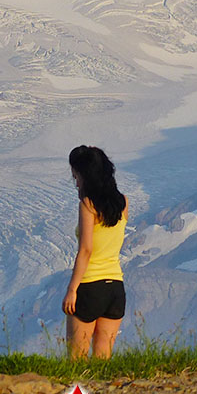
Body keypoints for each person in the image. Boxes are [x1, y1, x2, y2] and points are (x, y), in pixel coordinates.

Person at [61, 145, 127, 360]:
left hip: (90, 286)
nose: (76, 182)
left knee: (77, 359)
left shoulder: (88, 205)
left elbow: (86, 250)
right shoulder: (123, 203)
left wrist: (72, 289)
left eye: (76, 176)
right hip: (115, 288)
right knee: (103, 358)